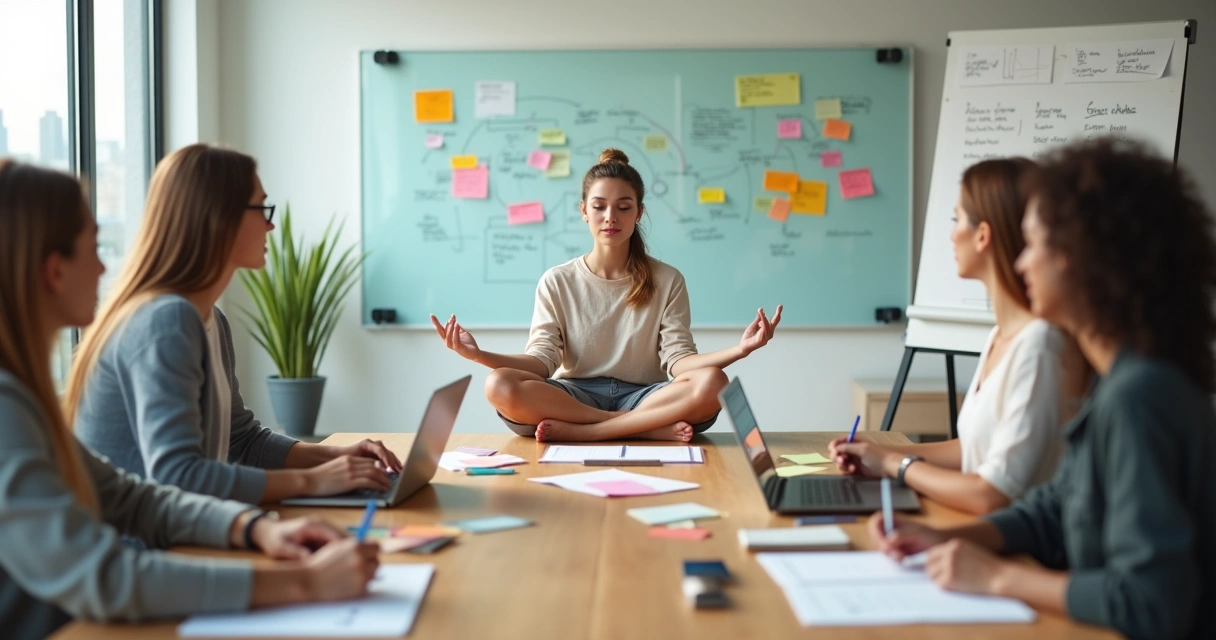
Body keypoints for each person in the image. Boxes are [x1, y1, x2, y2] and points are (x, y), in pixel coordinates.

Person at [0, 159, 379, 640]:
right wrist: (305, 580)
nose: (102, 265)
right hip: (113, 604)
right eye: (93, 247)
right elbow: (105, 574)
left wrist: (254, 528)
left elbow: (130, 497)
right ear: (54, 270)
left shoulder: (22, 397)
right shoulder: (9, 406)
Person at [870, 138, 1216, 640]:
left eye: (1033, 245)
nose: (1022, 263)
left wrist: (998, 577)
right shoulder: (1120, 378)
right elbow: (1055, 510)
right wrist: (943, 536)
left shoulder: (1141, 398)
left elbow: (1150, 603)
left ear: (1080, 260)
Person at [68, 144, 400, 505]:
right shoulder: (165, 321)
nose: (271, 224)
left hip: (184, 532)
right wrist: (311, 481)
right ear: (219, 219)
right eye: (262, 208)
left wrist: (336, 456)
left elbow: (241, 440)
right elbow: (177, 476)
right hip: (142, 549)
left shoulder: (210, 319)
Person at [432, 148, 781, 442]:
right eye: (599, 206)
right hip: (575, 397)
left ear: (639, 213)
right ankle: (643, 431)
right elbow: (541, 363)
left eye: (624, 206)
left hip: (645, 396)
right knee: (499, 385)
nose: (610, 216)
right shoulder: (557, 281)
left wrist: (741, 350)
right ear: (584, 210)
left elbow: (679, 361)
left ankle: (591, 432)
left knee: (713, 382)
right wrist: (477, 355)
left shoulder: (668, 279)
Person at [829, 158, 1085, 514]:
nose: (951, 235)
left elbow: (992, 493)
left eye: (957, 220)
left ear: (983, 235)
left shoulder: (1038, 345)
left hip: (1013, 552)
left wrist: (895, 466)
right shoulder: (1001, 334)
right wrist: (879, 454)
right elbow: (972, 449)